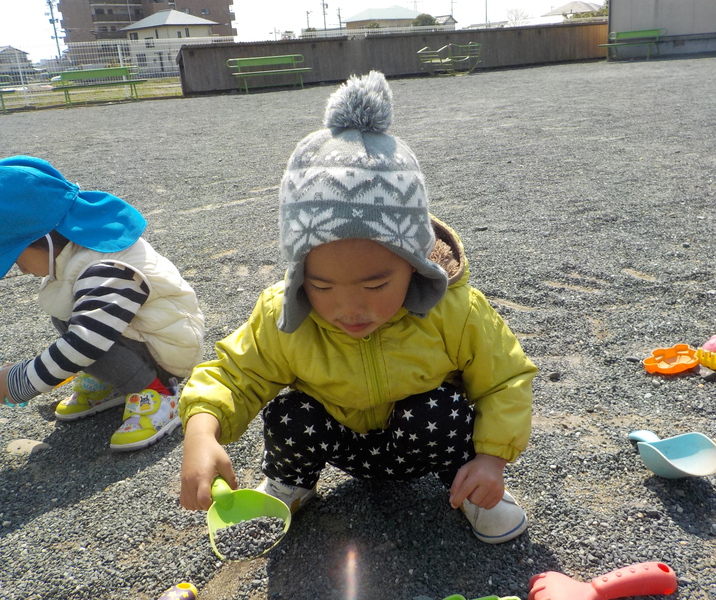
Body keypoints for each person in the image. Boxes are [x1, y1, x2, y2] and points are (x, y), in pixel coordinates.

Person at [179, 71, 537, 544]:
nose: (349, 307)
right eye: (323, 285)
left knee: (444, 408)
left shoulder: (455, 311)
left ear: (414, 263)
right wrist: (201, 432)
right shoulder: (285, 316)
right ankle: (290, 483)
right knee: (290, 411)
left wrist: (492, 458)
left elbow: (506, 379)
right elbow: (231, 374)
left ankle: (469, 484)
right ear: (300, 271)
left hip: (421, 441)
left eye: (376, 283)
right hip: (340, 442)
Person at [0, 156, 205, 451]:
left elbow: (86, 342)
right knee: (66, 310)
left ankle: (159, 391)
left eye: (16, 257)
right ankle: (115, 383)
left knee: (85, 330)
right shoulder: (76, 255)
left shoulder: (104, 266)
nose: (19, 269)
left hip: (169, 349)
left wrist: (19, 381)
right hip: (141, 335)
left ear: (43, 239)